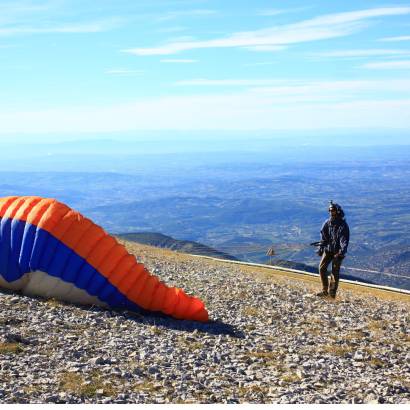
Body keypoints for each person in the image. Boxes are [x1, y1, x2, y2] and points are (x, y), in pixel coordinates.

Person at [316, 201, 350, 298]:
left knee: (334, 273)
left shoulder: (343, 226)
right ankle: (324, 290)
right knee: (322, 268)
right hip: (328, 250)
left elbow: (344, 241)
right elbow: (323, 237)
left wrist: (341, 252)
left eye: (333, 211)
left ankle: (332, 294)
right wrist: (321, 248)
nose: (331, 212)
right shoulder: (327, 223)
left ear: (338, 211)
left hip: (337, 253)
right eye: (330, 211)